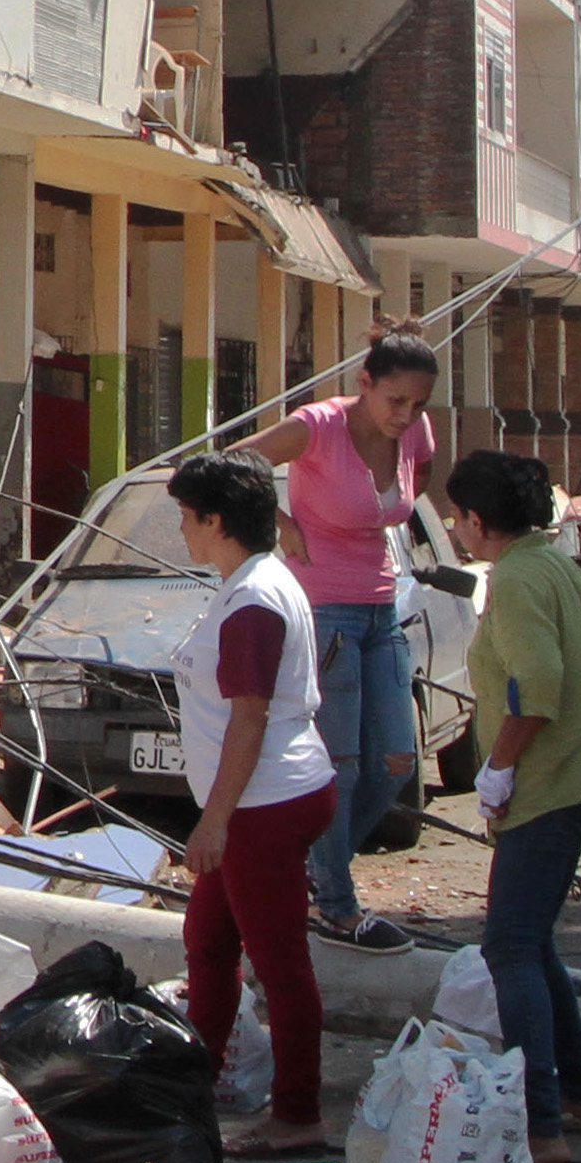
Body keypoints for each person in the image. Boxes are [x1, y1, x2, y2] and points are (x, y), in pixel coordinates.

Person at [448, 446, 581, 1163]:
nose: (454, 529)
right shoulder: (554, 563)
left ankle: (540, 1122)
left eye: (457, 517)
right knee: (531, 938)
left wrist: (500, 765)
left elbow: (539, 685)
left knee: (508, 947)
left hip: (550, 783)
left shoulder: (517, 578)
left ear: (478, 521)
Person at [167, 450, 338, 1157]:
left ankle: (297, 1111)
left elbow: (250, 717)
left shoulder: (256, 601)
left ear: (215, 521)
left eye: (185, 517)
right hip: (258, 801)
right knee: (208, 946)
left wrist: (215, 821)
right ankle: (194, 1086)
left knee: (279, 964)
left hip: (263, 805)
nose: (181, 531)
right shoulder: (252, 583)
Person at [246, 334, 440, 955]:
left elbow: (417, 484)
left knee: (397, 764)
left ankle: (313, 869)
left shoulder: (416, 434)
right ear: (364, 382)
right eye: (394, 399)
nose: (404, 414)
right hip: (323, 609)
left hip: (384, 609)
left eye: (417, 402)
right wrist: (282, 523)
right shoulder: (319, 427)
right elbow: (235, 461)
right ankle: (335, 905)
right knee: (343, 767)